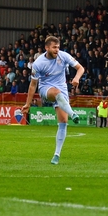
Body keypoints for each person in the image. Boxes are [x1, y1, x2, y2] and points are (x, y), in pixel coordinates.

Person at [20, 36, 85, 165]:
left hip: (62, 89)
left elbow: (80, 68)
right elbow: (33, 85)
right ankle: (73, 114)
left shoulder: (63, 56)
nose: (57, 50)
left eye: (58, 47)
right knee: (56, 93)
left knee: (63, 122)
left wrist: (77, 78)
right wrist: (28, 103)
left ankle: (56, 154)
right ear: (47, 48)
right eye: (54, 47)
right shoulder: (38, 63)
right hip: (46, 89)